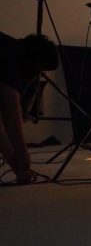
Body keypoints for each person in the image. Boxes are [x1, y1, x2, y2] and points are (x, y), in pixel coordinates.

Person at [0, 32, 58, 184]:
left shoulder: (10, 50)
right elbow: (11, 109)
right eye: (39, 69)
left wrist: (18, 164)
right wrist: (22, 152)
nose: (37, 75)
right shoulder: (13, 55)